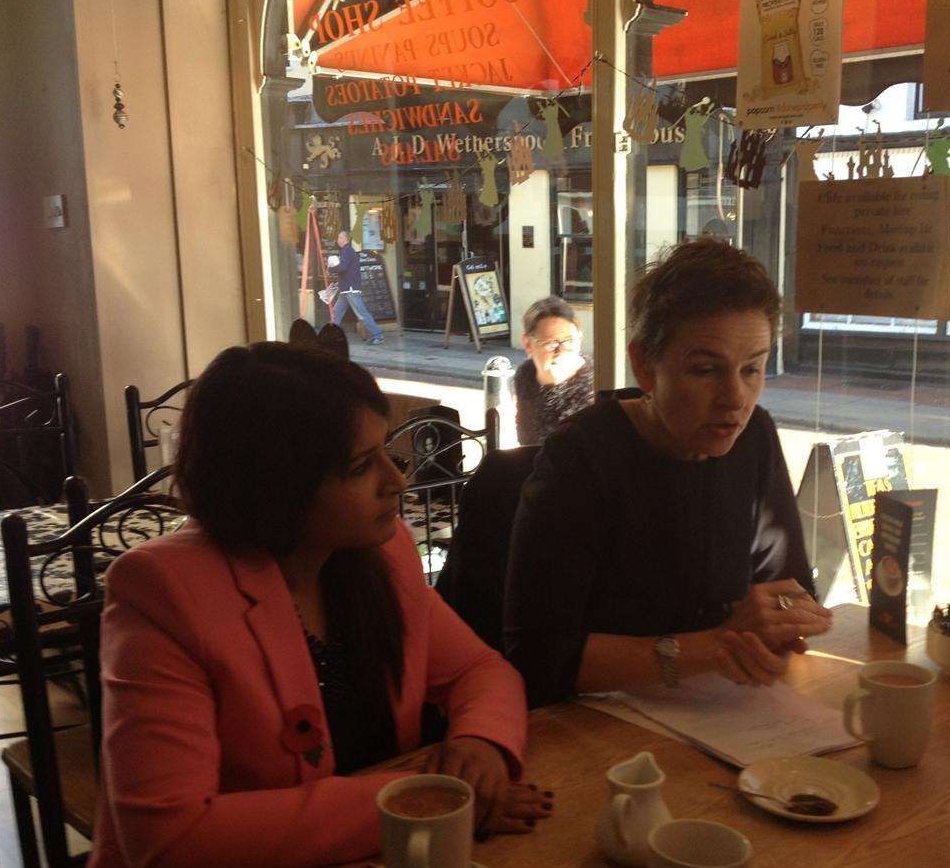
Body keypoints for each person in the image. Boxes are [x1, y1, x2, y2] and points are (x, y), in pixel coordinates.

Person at [89, 343, 550, 868]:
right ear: (277, 487)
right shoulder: (162, 590)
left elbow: (478, 669)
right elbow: (172, 840)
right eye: (361, 467)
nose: (397, 480)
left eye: (387, 451)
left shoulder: (382, 554)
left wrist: (481, 744)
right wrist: (418, 801)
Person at [503, 238, 832, 708]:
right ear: (645, 366)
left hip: (727, 715)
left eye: (753, 369)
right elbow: (536, 657)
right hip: (598, 729)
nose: (735, 399)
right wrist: (717, 646)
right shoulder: (582, 457)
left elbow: (789, 590)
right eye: (705, 369)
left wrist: (781, 629)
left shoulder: (753, 434)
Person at [512, 296, 594, 446]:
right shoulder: (526, 375)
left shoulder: (594, 383)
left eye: (570, 341)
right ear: (528, 344)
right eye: (551, 343)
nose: (561, 351)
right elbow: (526, 444)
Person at [330, 230, 385, 345]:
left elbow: (343, 267)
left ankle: (378, 335)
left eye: (340, 237)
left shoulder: (347, 250)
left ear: (346, 239)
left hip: (350, 289)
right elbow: (347, 271)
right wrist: (338, 284)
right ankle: (330, 335)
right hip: (346, 288)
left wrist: (331, 269)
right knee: (337, 312)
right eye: (338, 237)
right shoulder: (347, 251)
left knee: (362, 313)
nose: (338, 240)